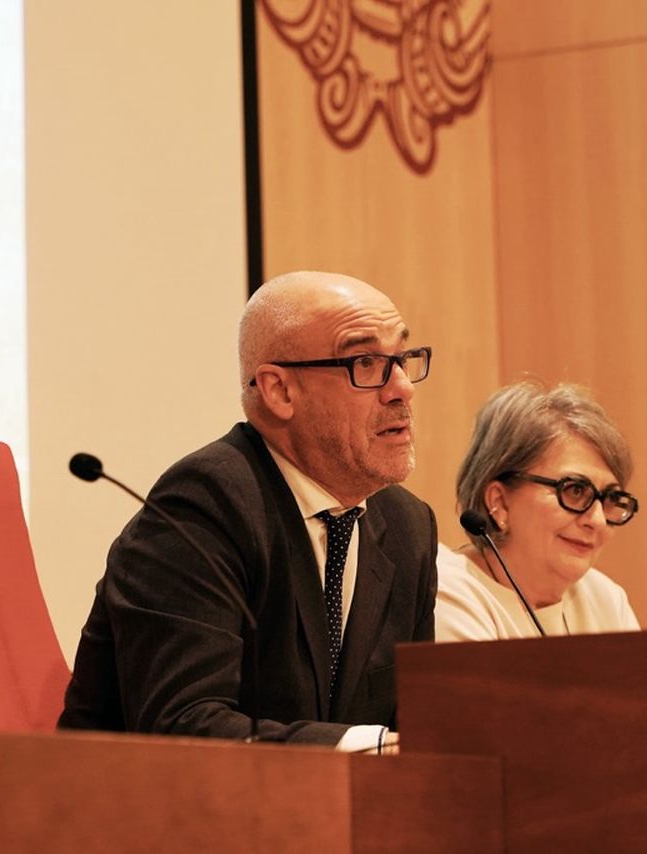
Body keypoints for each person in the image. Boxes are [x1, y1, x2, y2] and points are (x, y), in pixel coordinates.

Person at [59, 271, 437, 751]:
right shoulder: (204, 505)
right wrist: (371, 748)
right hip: (144, 813)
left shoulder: (407, 526)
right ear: (279, 391)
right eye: (365, 362)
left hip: (324, 816)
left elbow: (414, 722)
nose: (402, 388)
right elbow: (181, 725)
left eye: (402, 359)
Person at [437, 380, 641, 641]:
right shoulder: (448, 591)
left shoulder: (605, 600)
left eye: (611, 498)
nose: (598, 521)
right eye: (575, 491)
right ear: (499, 502)